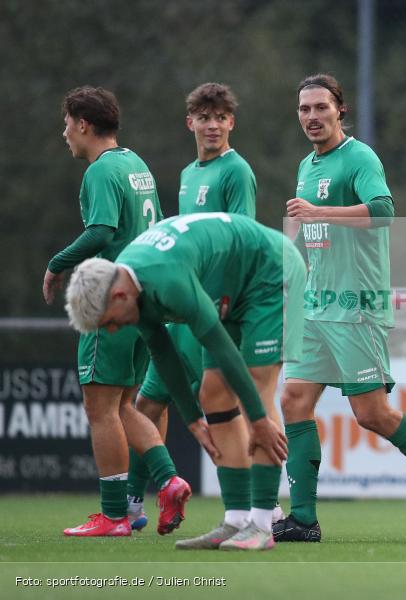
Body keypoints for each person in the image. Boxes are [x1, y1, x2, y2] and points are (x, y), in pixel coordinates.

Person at [275, 73, 406, 543]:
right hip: (316, 308)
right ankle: (303, 518)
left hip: (356, 307)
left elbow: (384, 211)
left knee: (372, 414)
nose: (312, 116)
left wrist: (319, 213)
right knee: (293, 399)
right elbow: (309, 232)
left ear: (339, 110)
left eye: (321, 107)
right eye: (304, 109)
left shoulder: (359, 157)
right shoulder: (308, 165)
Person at [64, 213, 305, 551]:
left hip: (272, 271)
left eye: (111, 323)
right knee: (213, 393)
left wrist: (259, 420)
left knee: (258, 385)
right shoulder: (132, 286)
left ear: (119, 296)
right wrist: (193, 421)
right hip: (230, 287)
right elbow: (162, 353)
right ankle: (236, 520)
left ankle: (263, 524)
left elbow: (223, 350)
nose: (115, 330)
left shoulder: (165, 279)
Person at [43, 86, 189, 537]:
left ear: (83, 124)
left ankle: (113, 516)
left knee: (100, 406)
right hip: (145, 300)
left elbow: (102, 231)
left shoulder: (102, 171)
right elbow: (160, 225)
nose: (64, 132)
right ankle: (169, 481)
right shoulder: (135, 163)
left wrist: (56, 265)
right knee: (125, 403)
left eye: (67, 123)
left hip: (113, 302)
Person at [125, 82, 258, 536]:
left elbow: (242, 239)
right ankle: (138, 501)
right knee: (146, 403)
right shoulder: (188, 174)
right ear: (191, 123)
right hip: (179, 312)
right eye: (205, 117)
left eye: (221, 117)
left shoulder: (236, 171)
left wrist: (224, 303)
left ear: (231, 123)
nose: (213, 125)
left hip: (210, 313)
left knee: (222, 407)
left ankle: (257, 508)